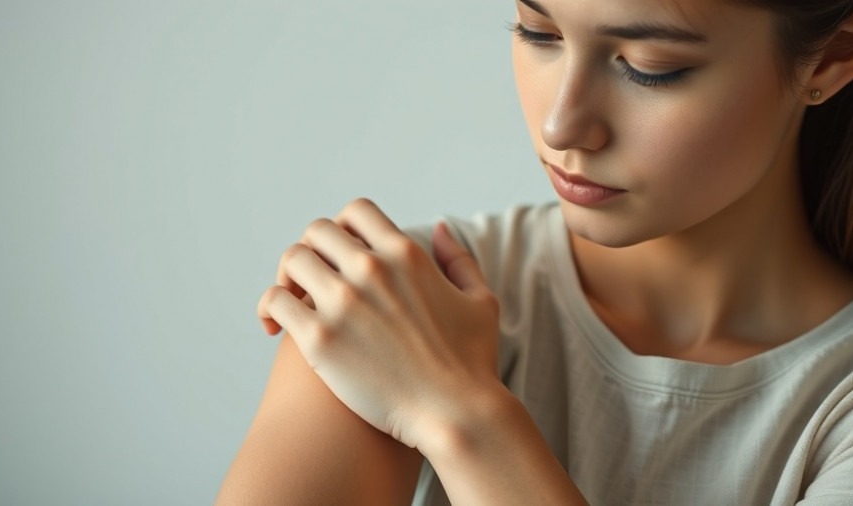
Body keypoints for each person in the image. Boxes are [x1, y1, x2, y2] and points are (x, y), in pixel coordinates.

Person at [216, 0, 853, 503]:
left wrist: (458, 412)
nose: (560, 125)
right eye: (538, 32)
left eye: (649, 65)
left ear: (829, 58)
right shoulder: (399, 302)